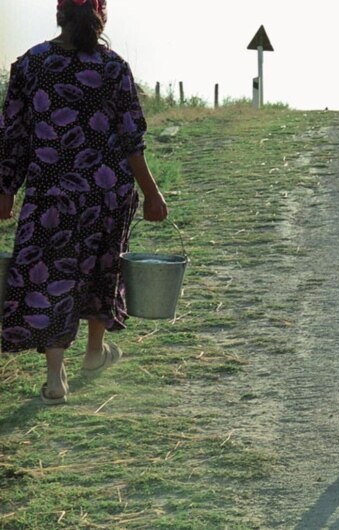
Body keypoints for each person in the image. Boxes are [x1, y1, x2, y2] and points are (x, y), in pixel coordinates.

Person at [0, 0, 168, 405]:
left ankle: (55, 378)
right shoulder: (113, 67)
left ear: (59, 15)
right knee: (101, 269)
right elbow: (131, 140)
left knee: (49, 276)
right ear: (100, 17)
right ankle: (94, 352)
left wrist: (6, 192)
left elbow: (13, 137)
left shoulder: (31, 64)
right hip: (106, 192)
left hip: (51, 192)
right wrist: (151, 192)